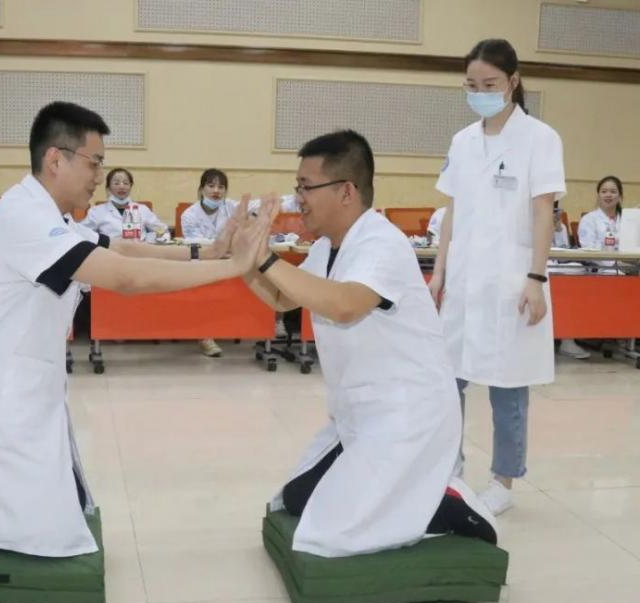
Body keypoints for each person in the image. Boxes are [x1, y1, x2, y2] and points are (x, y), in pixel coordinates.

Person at [0, 101, 270, 562]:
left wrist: (210, 253)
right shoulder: (23, 214)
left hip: (20, 388)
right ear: (56, 159)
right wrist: (232, 268)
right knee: (31, 534)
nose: (100, 176)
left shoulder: (54, 216)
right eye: (95, 162)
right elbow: (125, 278)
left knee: (59, 514)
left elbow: (122, 249)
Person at [241, 130, 496, 557]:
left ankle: (446, 504)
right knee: (300, 497)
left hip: (409, 417)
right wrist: (245, 260)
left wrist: (265, 258)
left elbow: (344, 305)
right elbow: (284, 297)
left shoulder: (382, 242)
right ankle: (415, 495)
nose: (297, 198)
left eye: (306, 186)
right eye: (297, 186)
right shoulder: (329, 246)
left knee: (335, 532)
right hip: (362, 416)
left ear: (346, 191)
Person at [430, 38, 566, 516]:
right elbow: (452, 212)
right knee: (449, 381)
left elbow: (543, 212)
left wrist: (536, 277)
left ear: (513, 82)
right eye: (471, 85)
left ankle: (504, 480)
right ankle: (449, 469)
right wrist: (439, 271)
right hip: (464, 282)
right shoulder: (463, 142)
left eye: (489, 84)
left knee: (509, 385)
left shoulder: (540, 138)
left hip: (510, 279)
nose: (480, 92)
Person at [180, 169, 237, 357]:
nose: (216, 190)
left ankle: (265, 328)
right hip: (202, 264)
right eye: (211, 185)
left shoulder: (231, 208)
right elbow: (199, 247)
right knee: (206, 285)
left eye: (221, 186)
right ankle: (206, 337)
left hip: (229, 261)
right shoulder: (189, 215)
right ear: (201, 188)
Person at [83, 168, 168, 241]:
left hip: (139, 253)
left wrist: (145, 238)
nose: (121, 187)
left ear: (131, 186)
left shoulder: (142, 209)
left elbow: (162, 231)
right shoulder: (96, 211)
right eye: (116, 183)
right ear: (108, 188)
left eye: (126, 183)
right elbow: (83, 234)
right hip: (110, 254)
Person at [578, 176, 623, 251]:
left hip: (628, 262)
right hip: (597, 262)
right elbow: (588, 249)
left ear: (619, 196)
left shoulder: (628, 219)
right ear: (598, 196)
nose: (608, 195)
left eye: (613, 192)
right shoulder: (588, 219)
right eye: (604, 191)